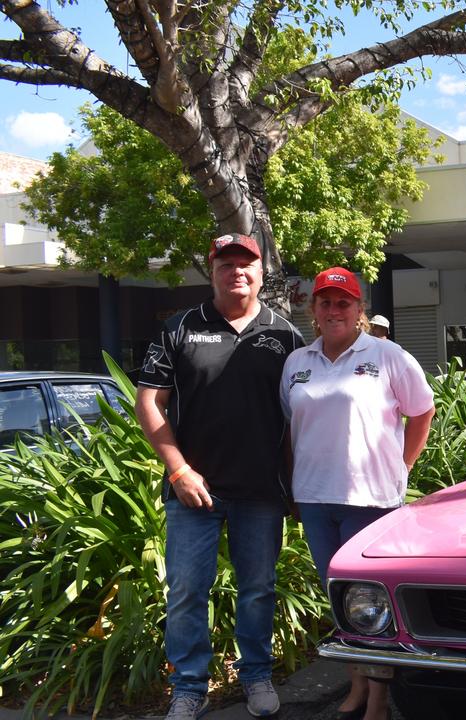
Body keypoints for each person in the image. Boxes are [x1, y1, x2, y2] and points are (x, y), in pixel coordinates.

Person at [136, 233, 304, 720]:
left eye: (246, 264)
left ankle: (255, 676)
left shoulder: (286, 335)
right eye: (227, 264)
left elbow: (296, 419)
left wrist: (293, 486)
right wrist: (179, 469)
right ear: (211, 270)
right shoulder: (179, 328)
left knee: (259, 588)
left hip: (261, 493)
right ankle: (189, 686)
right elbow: (149, 401)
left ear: (260, 271)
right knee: (187, 590)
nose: (237, 272)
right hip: (194, 492)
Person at [281, 267, 435, 720]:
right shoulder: (297, 363)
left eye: (343, 302)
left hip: (370, 499)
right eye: (325, 302)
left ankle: (379, 700)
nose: (334, 310)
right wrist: (292, 490)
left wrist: (401, 468)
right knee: (337, 599)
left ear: (359, 309)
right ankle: (355, 684)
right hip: (314, 497)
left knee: (371, 603)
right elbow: (292, 430)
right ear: (314, 310)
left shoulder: (388, 355)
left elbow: (422, 412)